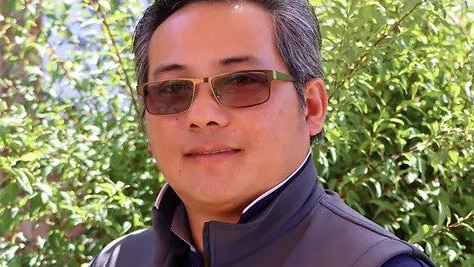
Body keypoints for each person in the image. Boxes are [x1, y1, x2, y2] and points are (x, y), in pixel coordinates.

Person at [89, 0, 437, 266]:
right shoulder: (119, 259)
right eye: (173, 90)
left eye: (243, 81)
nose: (202, 116)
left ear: (312, 107)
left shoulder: (375, 262)